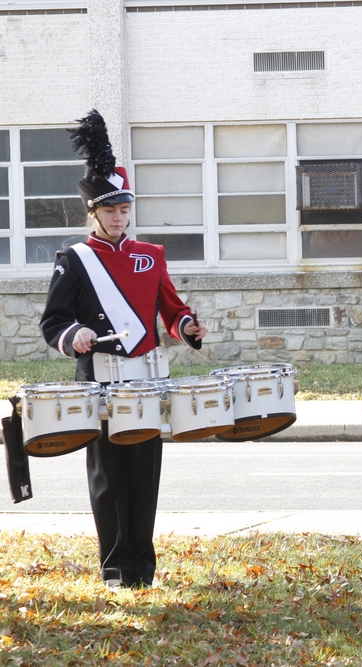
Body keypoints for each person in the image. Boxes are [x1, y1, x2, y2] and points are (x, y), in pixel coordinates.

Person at [39, 110, 208, 589]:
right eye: (110, 210)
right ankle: (116, 569)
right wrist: (75, 335)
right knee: (108, 476)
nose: (119, 217)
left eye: (124, 209)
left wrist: (188, 327)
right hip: (100, 377)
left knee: (145, 473)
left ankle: (143, 569)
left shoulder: (150, 255)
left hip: (147, 376)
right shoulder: (73, 260)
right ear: (92, 213)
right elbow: (53, 321)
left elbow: (172, 312)